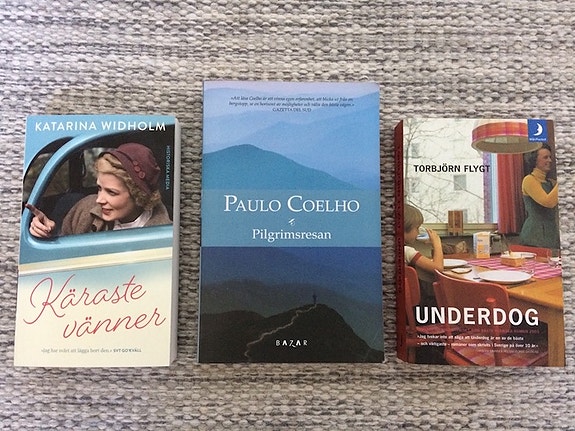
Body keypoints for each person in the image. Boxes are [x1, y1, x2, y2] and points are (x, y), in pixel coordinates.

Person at [28, 142, 171, 238]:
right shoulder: (84, 209)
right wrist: (48, 236)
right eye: (99, 188)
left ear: (139, 196)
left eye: (111, 192)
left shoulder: (164, 234)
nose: (99, 200)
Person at [519, 143, 560, 249]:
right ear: (535, 161)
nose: (550, 160)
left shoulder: (551, 183)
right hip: (534, 235)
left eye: (550, 157)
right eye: (545, 157)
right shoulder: (529, 180)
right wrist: (563, 180)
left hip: (551, 234)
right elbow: (548, 202)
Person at [404, 203, 444, 273]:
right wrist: (437, 243)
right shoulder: (406, 251)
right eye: (417, 228)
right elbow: (438, 268)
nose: (418, 232)